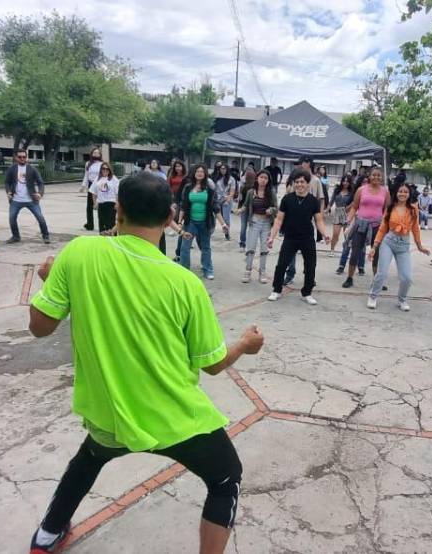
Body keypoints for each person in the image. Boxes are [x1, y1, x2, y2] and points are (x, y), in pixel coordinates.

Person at [25, 171, 264, 553]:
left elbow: (39, 327)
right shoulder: (184, 283)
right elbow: (214, 364)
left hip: (111, 419)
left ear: (117, 210)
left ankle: (47, 536)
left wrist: (50, 282)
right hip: (176, 420)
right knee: (226, 478)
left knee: (88, 459)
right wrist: (245, 344)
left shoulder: (79, 254)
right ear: (170, 217)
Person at [267, 169, 328, 305]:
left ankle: (307, 292)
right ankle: (276, 289)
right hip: (290, 237)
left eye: (302, 182)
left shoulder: (313, 201)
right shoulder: (287, 199)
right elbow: (279, 220)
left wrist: (325, 234)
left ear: (308, 184)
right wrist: (272, 236)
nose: (299, 184)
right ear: (294, 183)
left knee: (310, 265)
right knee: (282, 264)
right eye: (297, 182)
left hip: (307, 237)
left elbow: (319, 220)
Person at [368, 183, 429, 311]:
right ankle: (373, 296)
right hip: (388, 242)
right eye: (400, 191)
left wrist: (419, 246)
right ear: (396, 193)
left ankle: (402, 299)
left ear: (409, 194)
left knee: (406, 277)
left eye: (405, 192)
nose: (403, 194)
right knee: (382, 273)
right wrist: (375, 246)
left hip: (404, 245)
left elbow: (415, 229)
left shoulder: (413, 209)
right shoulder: (390, 208)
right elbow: (383, 228)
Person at [177, 164, 227, 279]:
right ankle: (184, 271)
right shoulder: (188, 188)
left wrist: (223, 223)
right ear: (194, 174)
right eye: (197, 171)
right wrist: (179, 222)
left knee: (205, 247)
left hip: (205, 222)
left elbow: (216, 208)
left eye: (202, 172)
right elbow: (183, 206)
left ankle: (208, 270)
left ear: (205, 174)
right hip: (190, 223)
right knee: (185, 247)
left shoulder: (209, 189)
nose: (199, 173)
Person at [342, 167, 389, 288]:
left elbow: (386, 210)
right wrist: (348, 221)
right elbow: (354, 207)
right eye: (374, 175)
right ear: (369, 176)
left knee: (376, 254)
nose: (376, 177)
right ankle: (350, 278)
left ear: (382, 177)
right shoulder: (361, 190)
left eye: (379, 175)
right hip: (361, 225)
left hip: (377, 226)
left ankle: (376, 280)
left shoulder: (385, 191)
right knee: (355, 252)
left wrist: (384, 222)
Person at [283, 157, 327, 284]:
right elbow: (288, 196)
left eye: (303, 166)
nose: (301, 168)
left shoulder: (316, 181)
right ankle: (290, 274)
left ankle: (309, 276)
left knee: (308, 252)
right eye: (300, 166)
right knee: (290, 250)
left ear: (309, 166)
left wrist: (321, 214)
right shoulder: (294, 179)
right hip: (293, 219)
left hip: (308, 220)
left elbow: (321, 199)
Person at [236, 170, 277, 284]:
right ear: (257, 179)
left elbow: (276, 207)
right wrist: (240, 210)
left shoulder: (271, 192)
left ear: (268, 181)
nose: (263, 180)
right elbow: (245, 205)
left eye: (265, 178)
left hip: (266, 223)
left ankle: (262, 272)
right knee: (251, 247)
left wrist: (271, 210)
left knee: (264, 248)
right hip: (254, 221)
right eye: (261, 177)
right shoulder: (250, 192)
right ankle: (247, 271)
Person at [4, 151, 50, 244]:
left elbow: (40, 182)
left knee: (40, 217)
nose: (22, 159)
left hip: (31, 199)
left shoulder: (32, 169)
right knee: (12, 218)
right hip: (16, 199)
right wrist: (8, 192)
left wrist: (40, 193)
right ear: (16, 157)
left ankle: (46, 236)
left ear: (26, 157)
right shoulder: (12, 169)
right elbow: (7, 182)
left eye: (24, 157)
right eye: (20, 157)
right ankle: (16, 236)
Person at [90, 162, 121, 233]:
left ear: (109, 170)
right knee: (102, 224)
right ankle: (102, 240)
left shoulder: (113, 179)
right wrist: (95, 203)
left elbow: (118, 192)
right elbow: (93, 192)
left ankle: (112, 239)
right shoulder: (97, 179)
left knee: (110, 224)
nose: (105, 170)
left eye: (107, 169)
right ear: (101, 169)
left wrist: (117, 203)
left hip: (111, 204)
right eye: (103, 168)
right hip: (101, 204)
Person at [211, 162, 238, 241]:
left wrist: (228, 199)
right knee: (213, 216)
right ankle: (210, 232)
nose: (223, 170)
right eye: (221, 169)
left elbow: (232, 191)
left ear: (227, 169)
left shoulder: (231, 179)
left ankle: (227, 233)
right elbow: (213, 189)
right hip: (217, 199)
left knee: (226, 218)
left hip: (227, 199)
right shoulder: (216, 178)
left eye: (224, 168)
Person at [329, 174, 355, 253]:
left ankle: (346, 252)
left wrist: (348, 207)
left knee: (346, 235)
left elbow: (354, 202)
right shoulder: (337, 190)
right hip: (338, 212)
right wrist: (327, 208)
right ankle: (332, 250)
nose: (345, 183)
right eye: (344, 181)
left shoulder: (352, 192)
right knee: (335, 234)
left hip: (347, 214)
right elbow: (332, 200)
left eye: (347, 181)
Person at [81, 147, 104, 231]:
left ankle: (103, 223)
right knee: (89, 206)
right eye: (94, 152)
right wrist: (83, 186)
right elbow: (86, 175)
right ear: (92, 154)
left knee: (100, 204)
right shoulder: (88, 163)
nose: (96, 154)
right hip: (91, 184)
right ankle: (90, 224)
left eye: (98, 153)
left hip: (99, 184)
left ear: (100, 154)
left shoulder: (102, 164)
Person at [238, 163, 257, 249]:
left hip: (244, 208)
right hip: (253, 209)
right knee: (252, 227)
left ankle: (242, 243)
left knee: (243, 226)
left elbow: (240, 199)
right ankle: (250, 243)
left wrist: (239, 208)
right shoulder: (255, 187)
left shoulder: (243, 187)